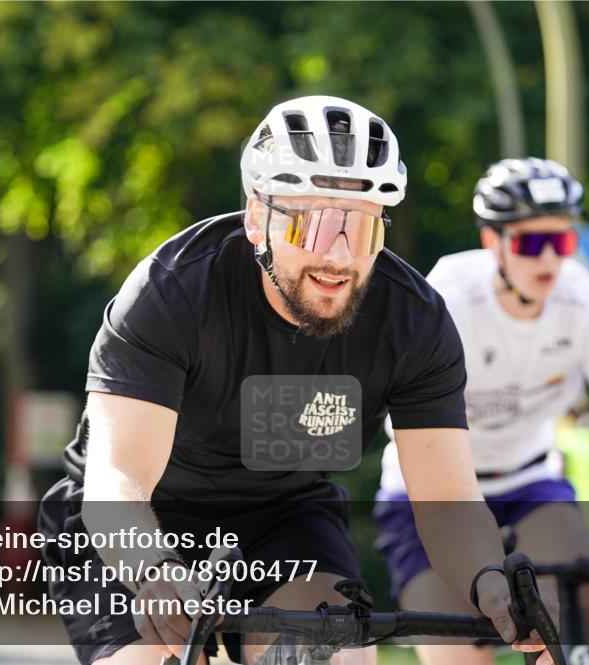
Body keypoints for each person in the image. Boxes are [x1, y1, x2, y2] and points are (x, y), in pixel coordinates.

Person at [38, 98, 558, 665]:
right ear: (258, 219)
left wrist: (488, 580)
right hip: (139, 519)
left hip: (283, 515)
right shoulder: (172, 292)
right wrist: (156, 571)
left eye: (359, 227)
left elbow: (447, 500)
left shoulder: (415, 322)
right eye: (312, 224)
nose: (337, 255)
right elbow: (119, 477)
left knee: (332, 652)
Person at [376, 157, 589, 665]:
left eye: (561, 241)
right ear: (491, 241)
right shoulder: (449, 295)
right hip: (433, 492)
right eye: (530, 243)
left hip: (527, 482)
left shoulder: (580, 297)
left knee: (588, 596)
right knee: (459, 646)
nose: (549, 260)